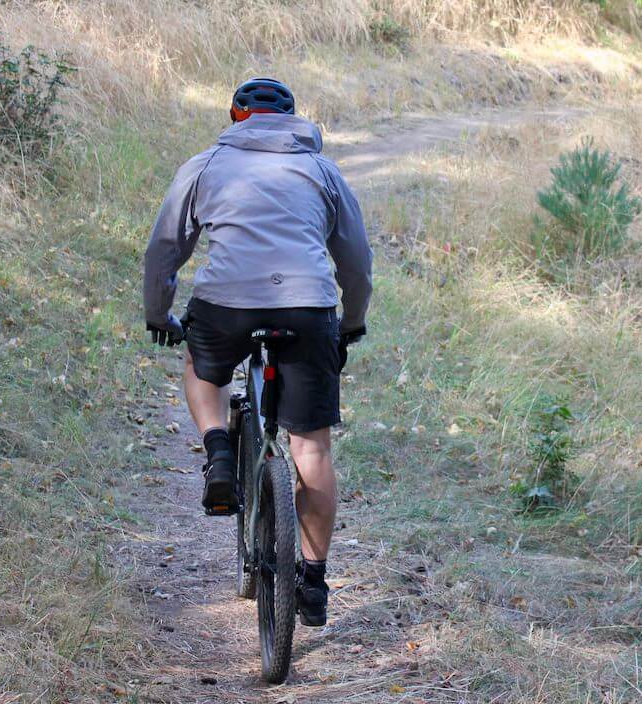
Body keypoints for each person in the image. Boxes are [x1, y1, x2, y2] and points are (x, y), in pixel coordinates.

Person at [142, 78, 372, 627]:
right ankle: (312, 581)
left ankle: (219, 449)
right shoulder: (323, 171)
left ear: (235, 116)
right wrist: (351, 324)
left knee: (203, 362)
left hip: (227, 306)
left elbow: (165, 251)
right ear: (294, 118)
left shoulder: (204, 165)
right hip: (307, 309)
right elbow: (356, 263)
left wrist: (159, 315)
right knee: (311, 448)